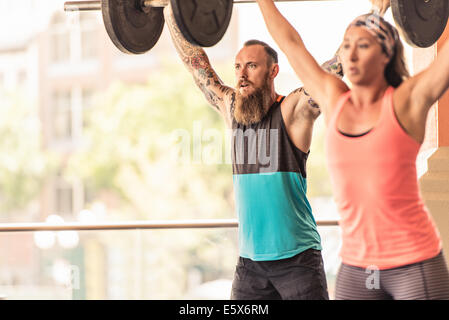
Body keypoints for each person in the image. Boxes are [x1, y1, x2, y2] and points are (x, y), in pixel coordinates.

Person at [256, 0, 449, 299]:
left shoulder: (406, 101)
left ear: (386, 54)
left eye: (363, 46)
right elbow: (290, 42)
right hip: (361, 268)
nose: (351, 54)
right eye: (346, 46)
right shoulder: (333, 99)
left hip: (413, 263)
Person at [163, 3, 342, 300]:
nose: (241, 75)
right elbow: (196, 64)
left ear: (273, 71)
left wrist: (376, 15)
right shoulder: (232, 109)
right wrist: (171, 11)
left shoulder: (292, 110)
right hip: (250, 265)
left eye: (251, 66)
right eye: (237, 66)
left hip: (298, 261)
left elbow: (332, 74)